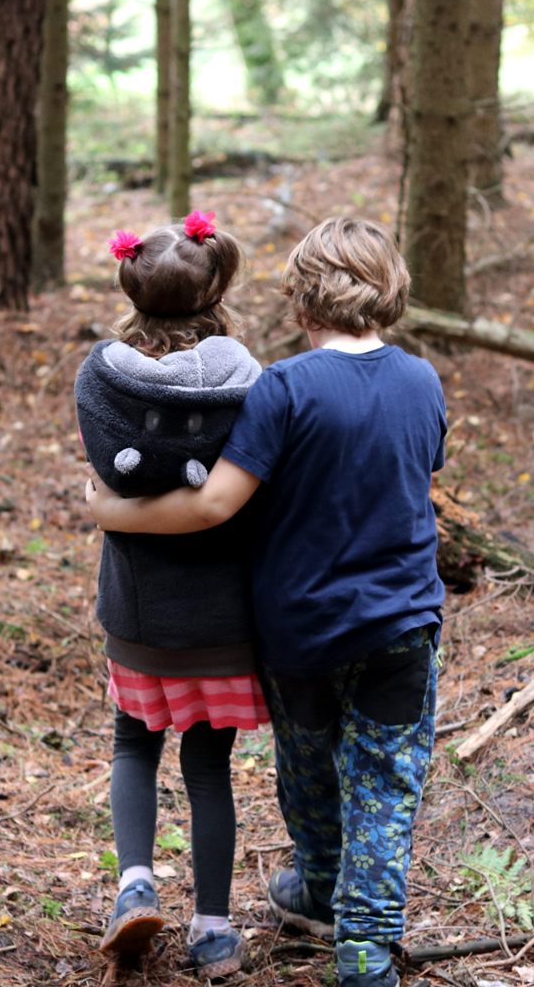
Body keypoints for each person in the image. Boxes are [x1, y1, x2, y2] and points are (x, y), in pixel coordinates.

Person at [86, 217, 447, 987]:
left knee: (309, 769)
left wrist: (111, 510)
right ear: (390, 293)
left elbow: (215, 503)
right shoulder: (422, 381)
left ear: (301, 302)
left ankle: (317, 885)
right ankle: (364, 948)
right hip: (401, 624)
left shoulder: (283, 387)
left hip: (301, 628)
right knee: (385, 785)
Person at [75, 211, 270, 979]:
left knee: (133, 742)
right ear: (216, 287)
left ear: (130, 286)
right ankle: (215, 930)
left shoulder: (102, 375)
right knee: (209, 767)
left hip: (137, 609)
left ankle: (133, 887)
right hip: (225, 615)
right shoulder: (253, 381)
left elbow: (104, 474)